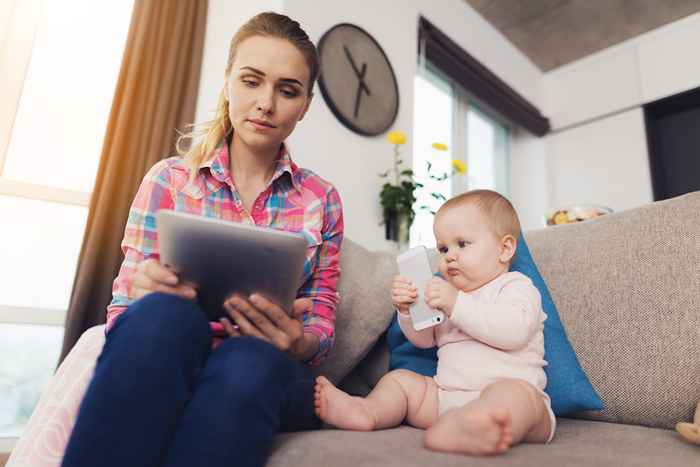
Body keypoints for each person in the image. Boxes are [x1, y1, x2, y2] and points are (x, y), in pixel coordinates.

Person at [61, 12, 343, 467]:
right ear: (228, 82)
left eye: (287, 90)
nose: (265, 103)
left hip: (267, 363)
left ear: (305, 105)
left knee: (247, 361)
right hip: (169, 346)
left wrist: (300, 342)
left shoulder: (322, 199)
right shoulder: (169, 180)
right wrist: (143, 292)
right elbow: (123, 308)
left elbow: (323, 309)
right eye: (251, 81)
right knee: (164, 317)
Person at [314, 189, 555, 456]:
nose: (450, 255)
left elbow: (514, 332)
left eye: (462, 244)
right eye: (443, 248)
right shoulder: (447, 294)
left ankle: (476, 425)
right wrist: (407, 311)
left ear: (504, 248)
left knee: (516, 396)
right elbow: (425, 339)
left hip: (513, 398)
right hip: (446, 397)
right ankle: (367, 411)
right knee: (401, 381)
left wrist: (456, 304)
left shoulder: (516, 287)